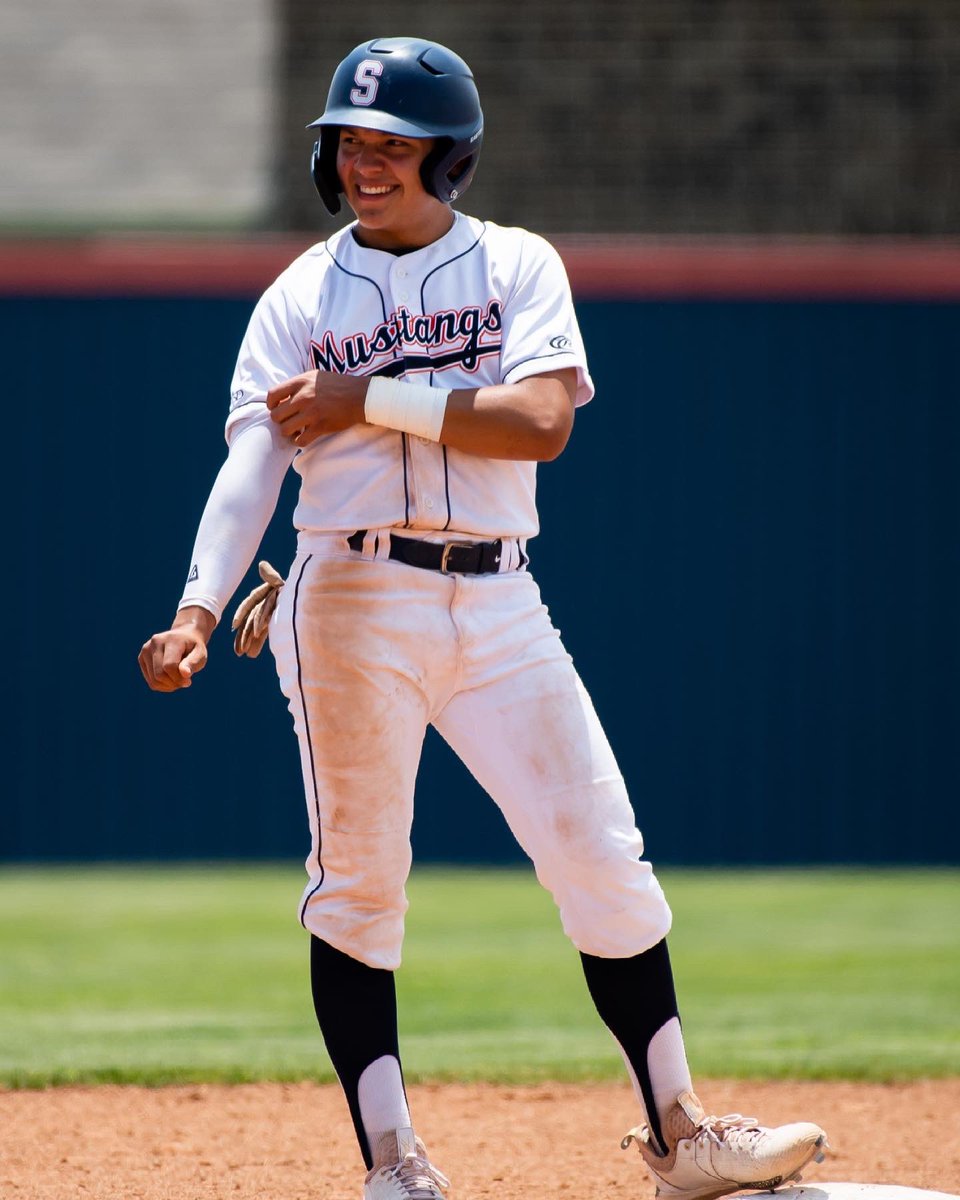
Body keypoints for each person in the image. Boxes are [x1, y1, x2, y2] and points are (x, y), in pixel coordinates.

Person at [138, 36, 828, 1200]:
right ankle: (393, 1163)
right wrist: (200, 605)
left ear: (447, 157)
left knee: (603, 858)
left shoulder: (516, 266)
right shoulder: (299, 297)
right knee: (359, 886)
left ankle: (682, 1135)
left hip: (503, 598)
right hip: (349, 596)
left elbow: (540, 421)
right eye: (349, 143)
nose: (366, 164)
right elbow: (251, 465)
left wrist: (370, 397)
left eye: (393, 145)